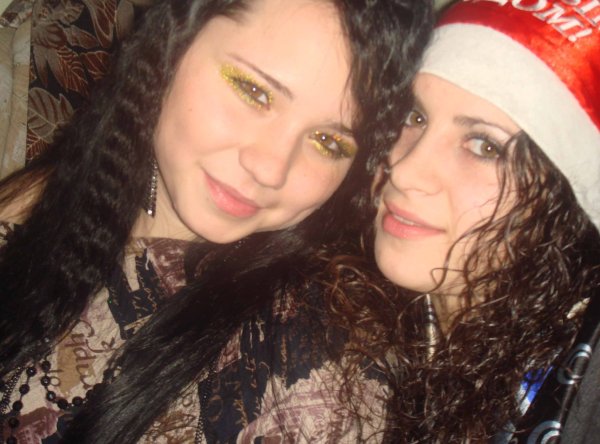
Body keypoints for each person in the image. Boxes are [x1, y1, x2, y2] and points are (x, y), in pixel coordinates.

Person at [0, 0, 433, 442]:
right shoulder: (35, 203)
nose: (270, 168)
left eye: (328, 141)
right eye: (253, 91)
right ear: (172, 44)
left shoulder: (323, 374)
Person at [323, 0, 600, 442]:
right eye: (415, 117)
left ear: (567, 199)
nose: (404, 170)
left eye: (485, 146)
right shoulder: (316, 315)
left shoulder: (583, 393)